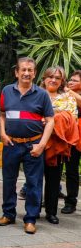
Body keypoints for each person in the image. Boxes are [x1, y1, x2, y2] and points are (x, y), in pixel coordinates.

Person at [0, 57, 54, 235]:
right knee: (8, 181)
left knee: (34, 183)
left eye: (30, 70)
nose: (26, 73)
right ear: (16, 72)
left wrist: (42, 145)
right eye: (23, 70)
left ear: (35, 73)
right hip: (11, 144)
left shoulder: (42, 94)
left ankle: (30, 219)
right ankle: (8, 214)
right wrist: (3, 134)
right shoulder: (7, 90)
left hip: (33, 146)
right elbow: (2, 114)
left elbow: (50, 120)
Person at [39, 66, 78, 225]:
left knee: (54, 180)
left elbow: (72, 118)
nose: (53, 80)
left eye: (58, 78)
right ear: (44, 78)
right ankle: (33, 210)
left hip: (57, 145)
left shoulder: (68, 97)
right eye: (51, 77)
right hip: (36, 141)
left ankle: (51, 212)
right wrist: (55, 117)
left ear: (62, 81)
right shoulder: (36, 93)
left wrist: (50, 120)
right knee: (34, 180)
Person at [63, 70, 81, 214]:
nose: (70, 82)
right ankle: (70, 201)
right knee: (71, 170)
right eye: (70, 80)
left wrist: (69, 90)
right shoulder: (65, 96)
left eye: (75, 80)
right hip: (72, 138)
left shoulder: (70, 94)